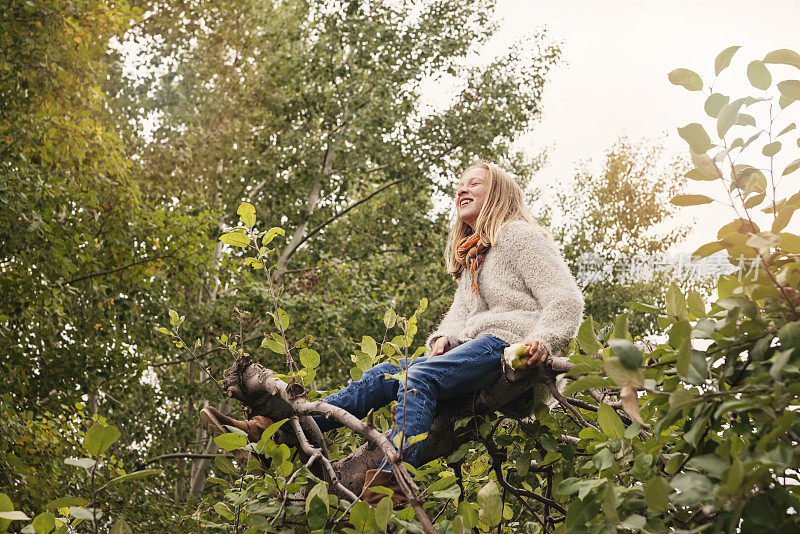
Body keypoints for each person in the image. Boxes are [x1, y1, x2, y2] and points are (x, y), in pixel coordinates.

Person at [200, 159, 585, 508]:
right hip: (475, 349)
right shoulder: (476, 255)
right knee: (381, 375)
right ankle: (277, 431)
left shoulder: (518, 235)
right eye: (459, 185)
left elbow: (565, 299)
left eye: (475, 183)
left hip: (506, 346)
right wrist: (442, 339)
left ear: (498, 192)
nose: (462, 190)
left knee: (416, 378)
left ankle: (391, 484)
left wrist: (543, 344)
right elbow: (460, 316)